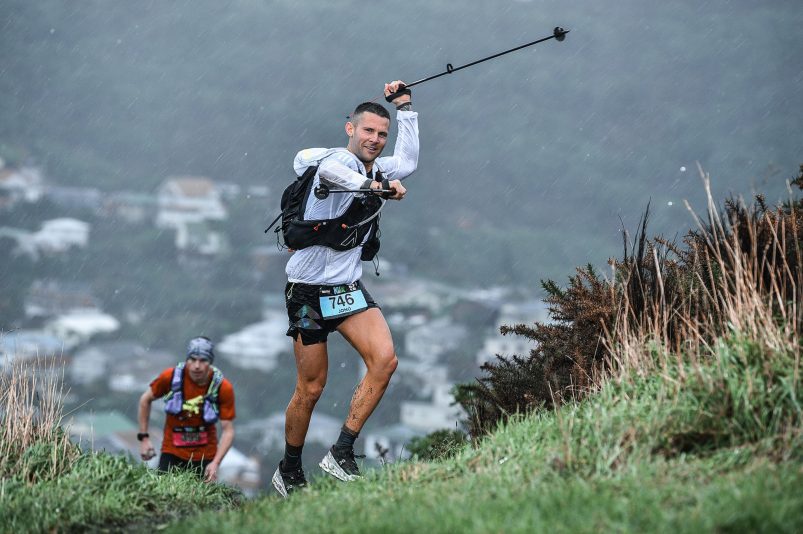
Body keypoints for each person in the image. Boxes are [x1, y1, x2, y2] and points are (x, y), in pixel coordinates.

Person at [272, 80, 419, 497]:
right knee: (311, 387)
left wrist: (405, 107)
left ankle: (342, 450)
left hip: (347, 289)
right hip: (307, 292)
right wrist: (378, 189)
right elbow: (333, 173)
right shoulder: (336, 161)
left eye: (382, 134)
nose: (375, 140)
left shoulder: (378, 167)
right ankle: (290, 469)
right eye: (368, 131)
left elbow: (406, 160)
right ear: (350, 129)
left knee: (385, 360)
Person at [138, 336, 236, 483]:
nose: (197, 366)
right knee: (163, 493)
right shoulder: (170, 378)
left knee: (201, 501)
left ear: (210, 362)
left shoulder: (222, 387)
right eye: (192, 359)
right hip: (171, 451)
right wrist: (144, 438)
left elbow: (228, 430)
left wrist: (216, 462)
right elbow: (145, 400)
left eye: (203, 360)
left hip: (205, 456)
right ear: (187, 359)